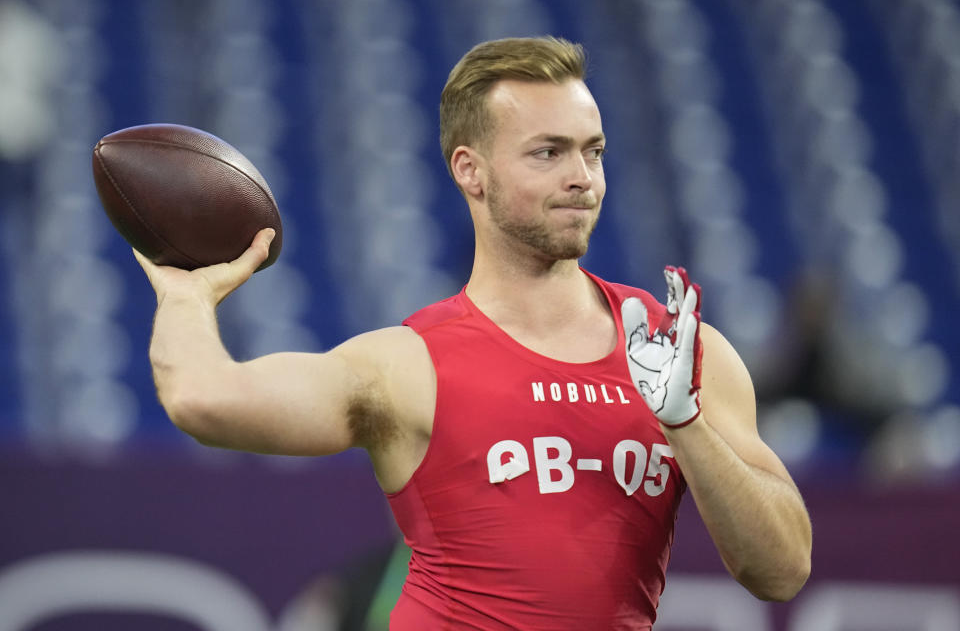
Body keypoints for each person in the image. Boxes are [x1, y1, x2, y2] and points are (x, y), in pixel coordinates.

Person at [134, 36, 811, 629]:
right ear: (470, 171)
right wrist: (187, 296)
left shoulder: (677, 353)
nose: (582, 179)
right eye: (548, 153)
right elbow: (203, 399)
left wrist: (684, 423)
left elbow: (781, 571)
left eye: (593, 152)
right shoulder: (405, 366)